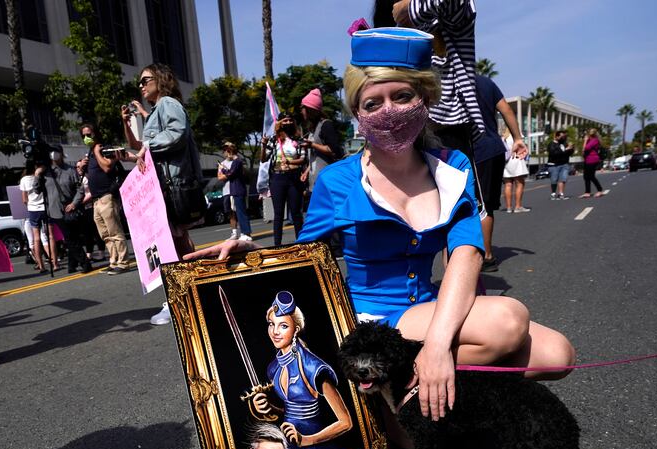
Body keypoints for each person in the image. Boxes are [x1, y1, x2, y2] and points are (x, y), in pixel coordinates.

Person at [188, 27, 575, 426]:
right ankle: (393, 392)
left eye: (401, 96)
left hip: (427, 307)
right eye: (372, 102)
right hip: (370, 320)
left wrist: (439, 347)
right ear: (358, 114)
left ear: (424, 98)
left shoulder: (453, 165)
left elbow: (467, 252)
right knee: (507, 322)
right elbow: (301, 259)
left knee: (557, 355)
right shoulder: (337, 180)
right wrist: (251, 251)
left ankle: (404, 387)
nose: (387, 110)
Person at [121, 63, 202, 325]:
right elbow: (149, 145)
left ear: (161, 79)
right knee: (178, 242)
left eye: (145, 80)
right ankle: (191, 294)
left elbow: (176, 133)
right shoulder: (158, 109)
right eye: (140, 82)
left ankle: (181, 299)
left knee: (175, 243)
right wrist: (141, 150)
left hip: (174, 185)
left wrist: (148, 145)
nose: (141, 85)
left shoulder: (168, 103)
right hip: (168, 185)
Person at [248, 292, 352, 449]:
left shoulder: (312, 367)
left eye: (283, 326)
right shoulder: (274, 368)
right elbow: (289, 411)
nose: (275, 332)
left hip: (314, 448)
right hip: (287, 443)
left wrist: (307, 440)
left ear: (296, 330)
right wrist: (267, 408)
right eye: (272, 324)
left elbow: (346, 422)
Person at [373, 0, 484, 164]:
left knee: (455, 187)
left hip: (444, 129)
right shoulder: (391, 32)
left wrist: (408, 7)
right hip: (400, 134)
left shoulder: (446, 18)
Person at [472, 74, 528, 273]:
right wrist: (518, 138)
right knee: (486, 206)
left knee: (458, 206)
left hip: (465, 150)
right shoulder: (484, 81)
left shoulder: (446, 79)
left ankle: (471, 257)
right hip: (490, 148)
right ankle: (486, 255)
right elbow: (506, 110)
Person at [36, 145, 92, 274]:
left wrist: (74, 203)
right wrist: (37, 175)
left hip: (70, 209)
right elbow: (37, 190)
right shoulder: (46, 172)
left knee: (72, 237)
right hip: (55, 210)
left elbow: (80, 189)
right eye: (51, 152)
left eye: (56, 152)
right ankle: (77, 263)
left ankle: (82, 263)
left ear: (61, 153)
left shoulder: (70, 170)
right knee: (70, 237)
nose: (54, 155)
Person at [81, 124, 127, 275]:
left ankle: (123, 262)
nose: (86, 138)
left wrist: (96, 151)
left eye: (89, 134)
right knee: (105, 234)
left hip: (107, 196)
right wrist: (83, 167)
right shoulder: (90, 153)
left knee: (114, 231)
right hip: (96, 200)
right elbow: (91, 176)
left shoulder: (104, 149)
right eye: (83, 136)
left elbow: (107, 167)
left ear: (96, 133)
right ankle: (113, 261)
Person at [260, 113, 306, 246]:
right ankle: (277, 245)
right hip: (277, 178)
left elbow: (303, 159)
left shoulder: (298, 139)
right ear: (280, 122)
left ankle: (301, 243)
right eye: (285, 120)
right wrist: (263, 145)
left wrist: (291, 161)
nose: (288, 122)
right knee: (278, 213)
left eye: (290, 120)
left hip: (294, 178)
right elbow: (264, 159)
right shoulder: (274, 140)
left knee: (296, 213)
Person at [299, 88, 344, 192]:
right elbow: (315, 157)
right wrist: (306, 172)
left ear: (310, 109)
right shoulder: (312, 129)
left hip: (327, 180)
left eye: (302, 108)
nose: (301, 111)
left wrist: (312, 145)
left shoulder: (326, 125)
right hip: (315, 181)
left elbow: (334, 150)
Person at [20, 161, 51, 271]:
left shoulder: (24, 180)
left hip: (33, 210)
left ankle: (41, 265)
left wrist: (30, 203)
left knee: (36, 238)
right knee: (47, 237)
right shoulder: (43, 177)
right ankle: (53, 261)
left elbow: (24, 199)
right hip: (45, 207)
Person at [217, 142, 252, 241]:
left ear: (229, 151)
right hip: (236, 190)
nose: (224, 152)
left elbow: (230, 173)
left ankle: (246, 233)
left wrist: (222, 169)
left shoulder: (237, 161)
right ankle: (244, 233)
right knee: (238, 212)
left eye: (225, 150)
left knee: (241, 212)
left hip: (238, 189)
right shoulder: (237, 161)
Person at [502, 127, 529, 213]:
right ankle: (518, 206)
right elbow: (522, 147)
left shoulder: (504, 137)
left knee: (508, 184)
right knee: (520, 183)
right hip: (516, 160)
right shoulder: (517, 136)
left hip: (506, 162)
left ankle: (509, 207)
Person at [581, 128, 608, 199]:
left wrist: (585, 141)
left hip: (592, 160)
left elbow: (586, 148)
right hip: (587, 160)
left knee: (591, 176)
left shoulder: (595, 140)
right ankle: (587, 192)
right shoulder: (589, 140)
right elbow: (583, 151)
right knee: (586, 176)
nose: (586, 136)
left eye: (587, 134)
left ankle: (600, 190)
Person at [547, 130, 573, 200]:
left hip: (564, 164)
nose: (563, 138)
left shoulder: (564, 143)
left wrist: (571, 148)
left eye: (564, 136)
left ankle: (561, 194)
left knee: (562, 179)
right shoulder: (551, 144)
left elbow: (569, 153)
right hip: (554, 165)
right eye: (561, 136)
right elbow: (554, 153)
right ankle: (553, 194)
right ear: (556, 136)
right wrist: (565, 149)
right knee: (554, 180)